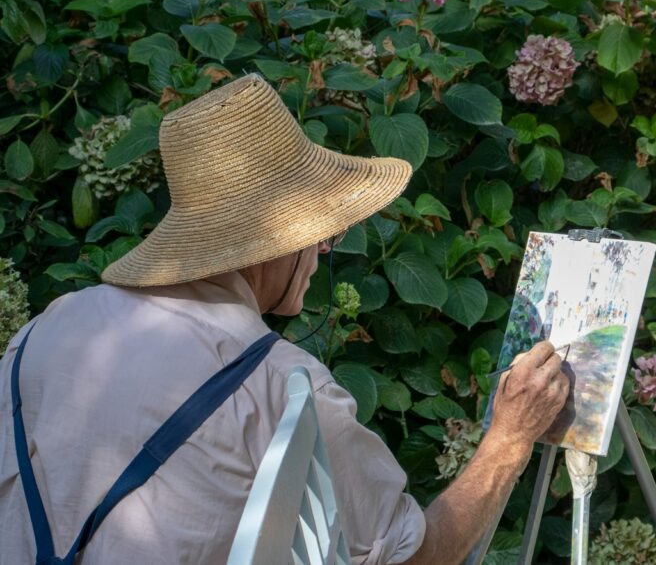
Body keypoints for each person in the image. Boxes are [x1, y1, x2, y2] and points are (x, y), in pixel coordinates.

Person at [0, 75, 570, 565]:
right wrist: (508, 441)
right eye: (321, 231)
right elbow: (410, 558)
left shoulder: (44, 330)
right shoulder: (282, 388)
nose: (323, 250)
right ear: (272, 241)